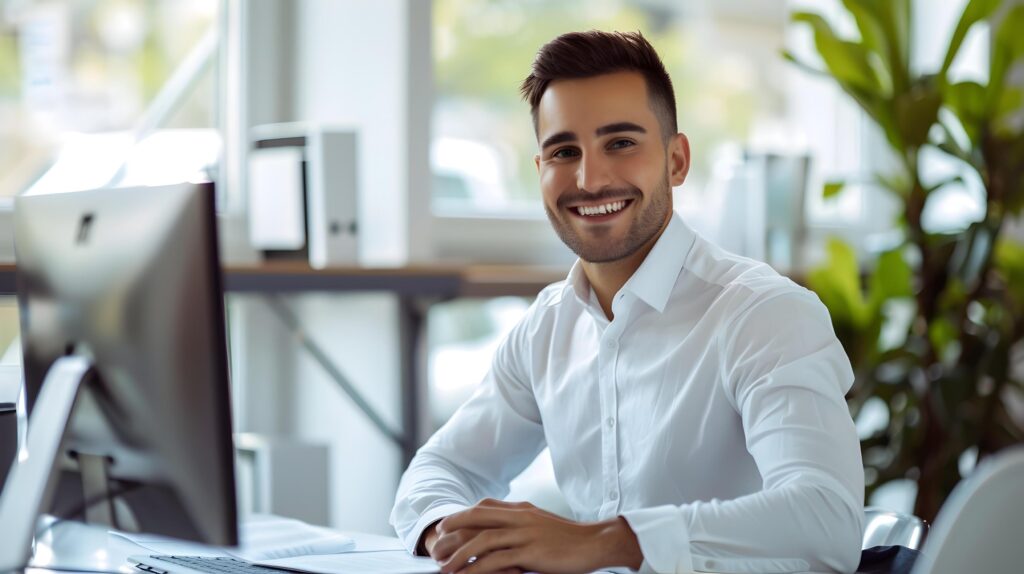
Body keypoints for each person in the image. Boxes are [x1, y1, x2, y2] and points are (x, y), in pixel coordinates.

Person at [391, 30, 864, 574]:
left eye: (620, 143)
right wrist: (458, 537)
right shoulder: (546, 328)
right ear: (539, 170)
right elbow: (439, 470)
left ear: (677, 161)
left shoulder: (764, 315)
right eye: (564, 151)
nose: (590, 180)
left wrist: (608, 542)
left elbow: (827, 521)